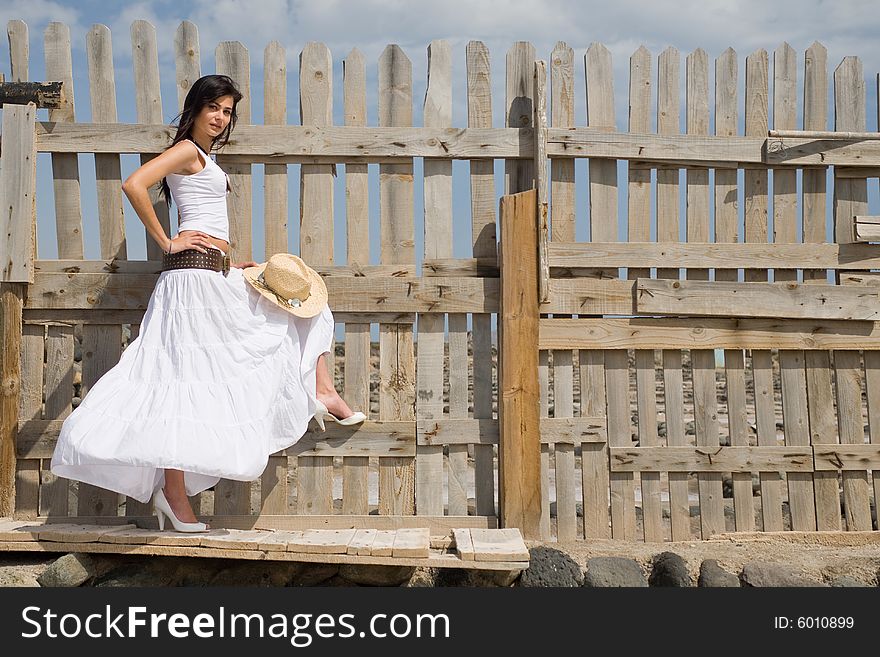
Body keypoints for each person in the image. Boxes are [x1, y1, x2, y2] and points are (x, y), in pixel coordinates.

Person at [50, 74, 365, 533]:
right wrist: (166, 241)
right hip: (190, 281)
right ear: (195, 109)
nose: (221, 118)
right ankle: (174, 494)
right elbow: (134, 184)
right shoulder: (187, 151)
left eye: (228, 111)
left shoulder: (204, 158)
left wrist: (230, 262)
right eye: (214, 108)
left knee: (300, 304)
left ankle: (320, 391)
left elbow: (205, 218)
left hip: (209, 273)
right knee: (180, 382)